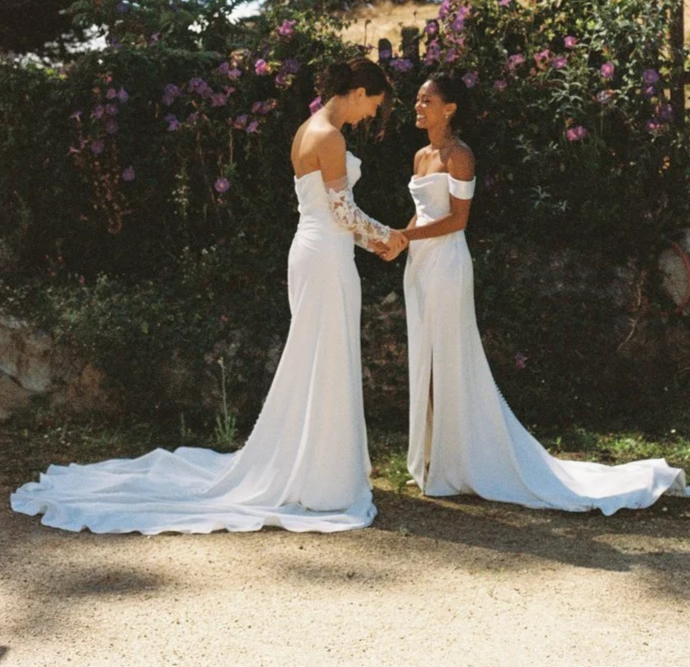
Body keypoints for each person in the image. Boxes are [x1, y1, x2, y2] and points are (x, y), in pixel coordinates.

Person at [11, 57, 405, 534]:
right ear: (360, 91)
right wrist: (390, 237)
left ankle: (321, 466)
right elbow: (343, 211)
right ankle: (322, 477)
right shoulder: (331, 136)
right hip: (325, 257)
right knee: (324, 356)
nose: (369, 116)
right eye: (373, 106)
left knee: (318, 357)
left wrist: (375, 242)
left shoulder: (308, 128)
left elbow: (332, 212)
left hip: (314, 249)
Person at [383, 72, 687, 513]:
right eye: (417, 99)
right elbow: (422, 213)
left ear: (449, 109)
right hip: (420, 267)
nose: (417, 106)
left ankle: (459, 458)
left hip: (447, 264)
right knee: (426, 358)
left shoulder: (460, 156)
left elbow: (456, 221)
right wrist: (395, 240)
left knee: (448, 355)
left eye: (426, 100)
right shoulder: (419, 155)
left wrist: (407, 237)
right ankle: (433, 457)